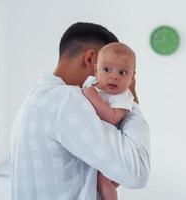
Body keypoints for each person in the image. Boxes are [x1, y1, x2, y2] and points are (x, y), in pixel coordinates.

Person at [10, 22, 150, 200]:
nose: (113, 79)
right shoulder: (67, 99)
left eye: (121, 72)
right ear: (91, 60)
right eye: (107, 68)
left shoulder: (35, 98)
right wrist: (130, 94)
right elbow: (137, 172)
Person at [82, 42, 137, 200]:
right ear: (95, 69)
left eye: (122, 73)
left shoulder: (123, 96)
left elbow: (112, 117)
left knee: (103, 179)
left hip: (110, 146)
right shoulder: (91, 84)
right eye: (107, 70)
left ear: (132, 78)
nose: (114, 76)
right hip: (92, 139)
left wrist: (92, 97)